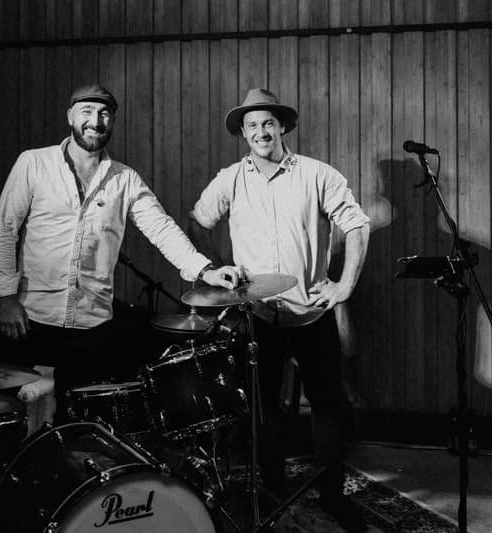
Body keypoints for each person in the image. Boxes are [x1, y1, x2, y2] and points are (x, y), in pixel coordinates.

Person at [0, 84, 240, 422]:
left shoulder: (125, 179)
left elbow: (161, 229)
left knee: (77, 421)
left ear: (112, 121)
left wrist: (205, 270)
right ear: (70, 116)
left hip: (91, 324)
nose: (95, 120)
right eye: (87, 111)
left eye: (104, 113)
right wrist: (6, 297)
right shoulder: (34, 163)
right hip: (32, 317)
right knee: (17, 417)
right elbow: (4, 230)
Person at [188, 88, 370, 532]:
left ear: (282, 126)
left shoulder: (317, 174)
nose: (260, 132)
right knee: (262, 410)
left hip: (311, 314)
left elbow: (357, 224)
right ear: (244, 134)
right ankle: (269, 491)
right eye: (251, 126)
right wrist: (218, 267)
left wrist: (344, 285)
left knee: (327, 407)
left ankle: (332, 495)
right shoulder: (230, 178)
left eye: (267, 123)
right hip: (258, 317)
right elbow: (197, 220)